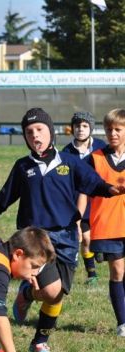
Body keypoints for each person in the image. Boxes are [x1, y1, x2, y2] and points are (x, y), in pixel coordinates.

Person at [0, 108, 125, 352]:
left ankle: (36, 333)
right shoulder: (23, 167)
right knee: (51, 288)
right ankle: (37, 328)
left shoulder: (70, 163)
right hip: (35, 237)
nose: (35, 135)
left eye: (40, 130)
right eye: (29, 131)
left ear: (51, 132)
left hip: (66, 236)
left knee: (57, 293)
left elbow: (94, 183)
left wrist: (111, 189)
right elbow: (4, 197)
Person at [87, 109, 125, 336]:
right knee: (118, 271)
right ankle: (122, 323)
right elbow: (82, 187)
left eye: (118, 129)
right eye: (109, 129)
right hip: (108, 225)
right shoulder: (95, 158)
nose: (113, 133)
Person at [62, 111, 106, 285]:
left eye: (85, 126)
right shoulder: (66, 152)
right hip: (79, 202)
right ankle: (92, 274)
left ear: (91, 128)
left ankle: (100, 248)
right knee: (85, 238)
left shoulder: (101, 147)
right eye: (77, 126)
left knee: (98, 238)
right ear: (72, 128)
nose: (80, 129)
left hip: (100, 201)